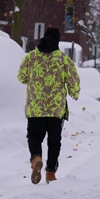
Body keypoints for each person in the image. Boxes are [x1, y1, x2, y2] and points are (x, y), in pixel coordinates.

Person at [18, 27, 80, 184]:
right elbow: (73, 79)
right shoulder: (63, 58)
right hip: (55, 108)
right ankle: (50, 173)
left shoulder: (31, 57)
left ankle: (36, 158)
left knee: (34, 136)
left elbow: (21, 76)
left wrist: (34, 80)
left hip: (35, 106)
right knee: (54, 141)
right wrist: (74, 92)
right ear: (57, 40)